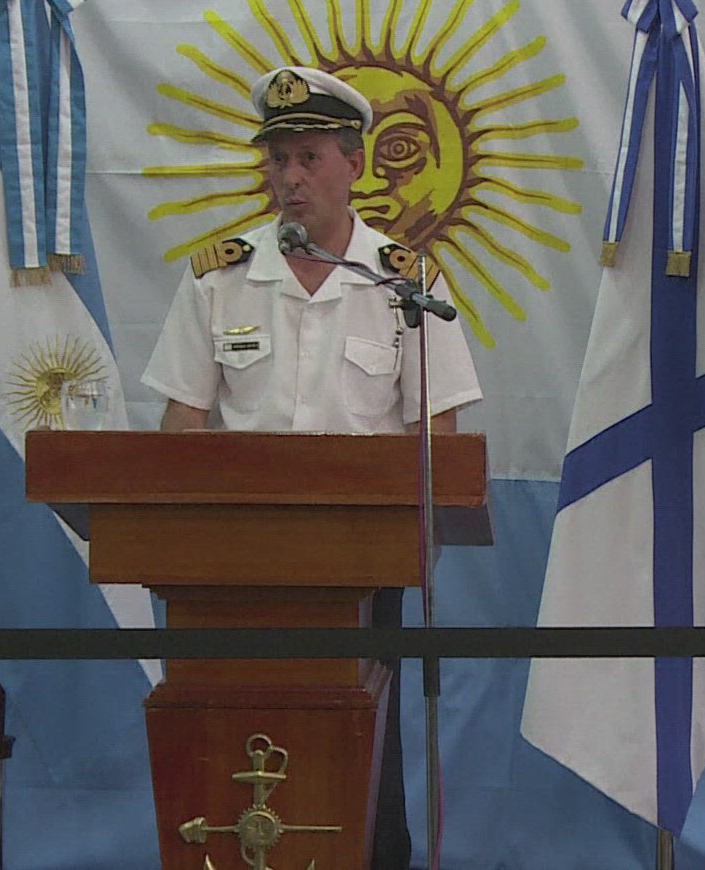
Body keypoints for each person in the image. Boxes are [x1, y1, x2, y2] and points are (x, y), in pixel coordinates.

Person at [141, 64, 482, 870]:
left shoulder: (402, 283)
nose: (290, 179)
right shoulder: (220, 279)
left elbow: (437, 438)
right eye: (279, 160)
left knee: (364, 749)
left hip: (361, 567)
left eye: (309, 159)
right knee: (225, 739)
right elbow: (182, 425)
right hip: (229, 572)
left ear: (354, 165)